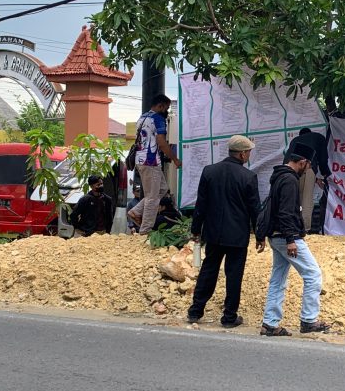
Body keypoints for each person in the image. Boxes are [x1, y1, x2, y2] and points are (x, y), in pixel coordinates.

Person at [187, 135, 264, 328]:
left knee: (208, 270)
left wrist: (196, 229)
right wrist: (260, 235)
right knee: (234, 275)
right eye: (248, 152)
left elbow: (201, 204)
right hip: (237, 236)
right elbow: (255, 209)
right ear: (242, 154)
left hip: (213, 233)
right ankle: (229, 317)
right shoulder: (248, 177)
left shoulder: (209, 171)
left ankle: (195, 311)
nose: (249, 155)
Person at [260, 141, 330, 336]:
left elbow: (272, 209)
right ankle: (309, 320)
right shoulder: (290, 180)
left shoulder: (278, 176)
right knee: (313, 274)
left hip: (276, 236)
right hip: (286, 237)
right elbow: (285, 212)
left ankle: (270, 324)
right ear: (302, 162)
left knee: (278, 279)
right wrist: (291, 239)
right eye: (308, 165)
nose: (307, 169)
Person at [127, 94, 182, 235]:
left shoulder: (143, 117)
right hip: (150, 161)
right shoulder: (158, 119)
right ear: (160, 106)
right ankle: (145, 231)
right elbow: (161, 142)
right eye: (166, 108)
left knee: (162, 189)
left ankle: (136, 211)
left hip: (140, 160)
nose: (167, 111)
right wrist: (175, 159)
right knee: (152, 197)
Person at [285, 127, 331, 232]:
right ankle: (305, 230)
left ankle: (291, 227)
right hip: (306, 169)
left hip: (288, 170)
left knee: (292, 199)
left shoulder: (295, 140)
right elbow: (323, 159)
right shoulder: (319, 138)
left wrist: (316, 179)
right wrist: (326, 174)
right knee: (306, 200)